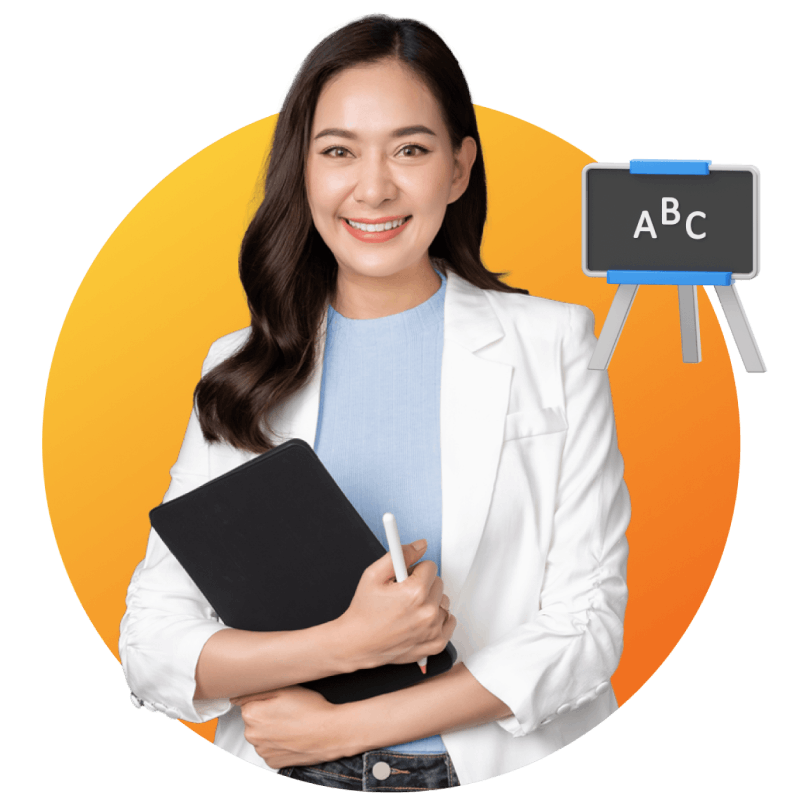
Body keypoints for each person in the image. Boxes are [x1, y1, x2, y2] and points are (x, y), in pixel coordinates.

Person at [119, 12, 630, 790]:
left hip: (489, 765)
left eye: (411, 150)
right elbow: (153, 644)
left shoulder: (555, 344)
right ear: (304, 170)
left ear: (458, 170)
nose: (373, 187)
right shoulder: (240, 366)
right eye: (338, 152)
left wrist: (348, 724)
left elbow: (586, 630)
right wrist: (348, 645)